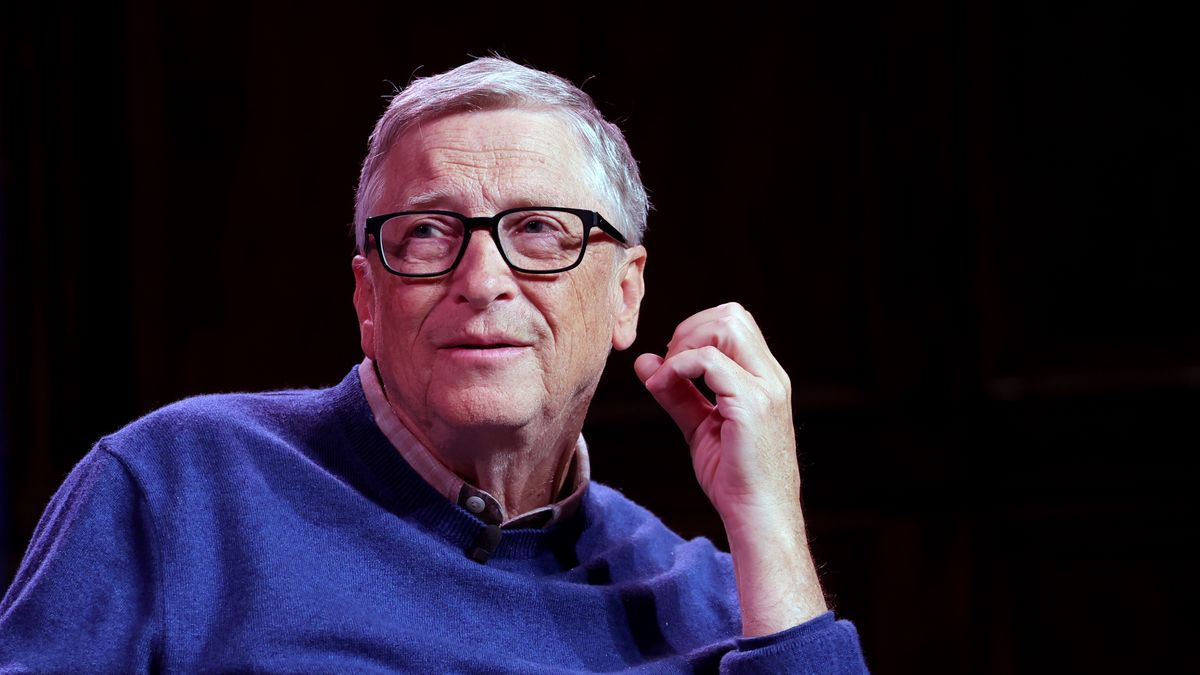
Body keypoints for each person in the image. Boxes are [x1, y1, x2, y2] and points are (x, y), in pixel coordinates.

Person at [0, 58, 869, 672]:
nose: (482, 280)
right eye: (427, 232)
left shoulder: (721, 602)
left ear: (625, 294)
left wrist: (771, 527)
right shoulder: (175, 485)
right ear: (368, 298)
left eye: (538, 230)